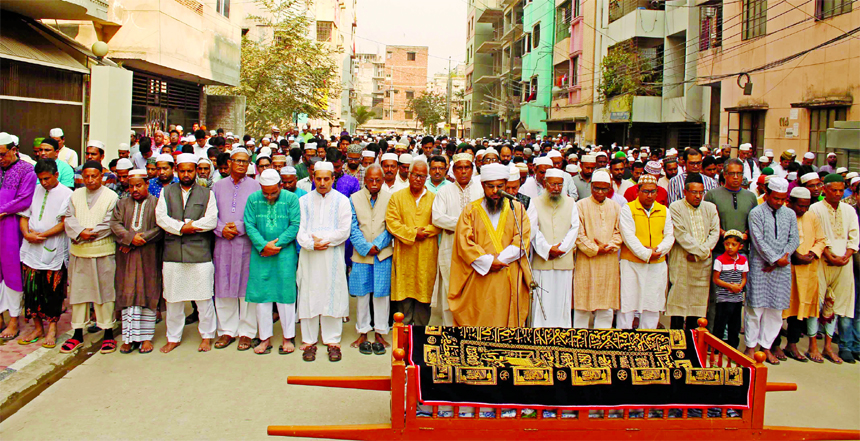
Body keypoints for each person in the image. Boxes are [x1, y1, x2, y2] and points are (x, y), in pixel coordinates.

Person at [447, 163, 532, 327]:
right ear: (482, 185)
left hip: (507, 271)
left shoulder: (517, 208)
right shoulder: (470, 210)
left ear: (506, 185)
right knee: (480, 318)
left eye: (500, 186)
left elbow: (522, 239)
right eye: (490, 186)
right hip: (480, 275)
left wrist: (501, 259)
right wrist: (487, 261)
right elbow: (464, 242)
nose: (495, 191)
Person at [155, 153, 219, 353]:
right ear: (176, 170)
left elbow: (212, 220)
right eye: (182, 171)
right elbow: (161, 218)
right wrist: (182, 228)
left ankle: (207, 336)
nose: (186, 174)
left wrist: (193, 227)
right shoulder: (166, 192)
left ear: (195, 170)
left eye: (189, 170)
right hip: (173, 253)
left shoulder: (206, 193)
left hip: (199, 253)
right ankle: (173, 338)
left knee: (203, 298)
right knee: (173, 299)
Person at [296, 162, 351, 362]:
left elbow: (344, 231)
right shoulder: (303, 201)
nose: (322, 183)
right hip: (309, 256)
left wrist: (322, 241)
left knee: (332, 293)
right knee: (309, 292)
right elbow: (299, 230)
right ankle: (309, 341)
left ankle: (332, 340)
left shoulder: (343, 201)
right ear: (313, 178)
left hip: (332, 255)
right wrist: (311, 243)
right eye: (318, 178)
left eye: (326, 179)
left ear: (333, 179)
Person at [61, 161, 119, 354]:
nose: (90, 180)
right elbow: (68, 218)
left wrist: (90, 234)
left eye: (94, 176)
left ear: (101, 176)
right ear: (82, 177)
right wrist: (80, 233)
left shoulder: (112, 196)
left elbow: (111, 221)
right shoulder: (75, 195)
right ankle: (77, 333)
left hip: (103, 251)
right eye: (86, 176)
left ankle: (108, 333)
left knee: (105, 293)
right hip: (79, 252)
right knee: (78, 293)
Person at [244, 169, 301, 355]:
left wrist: (275, 245)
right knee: (262, 296)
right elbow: (249, 225)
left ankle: (288, 337)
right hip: (261, 254)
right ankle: (264, 338)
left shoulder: (291, 199)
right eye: (265, 192)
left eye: (273, 192)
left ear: (281, 186)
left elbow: (295, 225)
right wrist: (263, 246)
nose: (269, 196)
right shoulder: (253, 199)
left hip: (284, 253)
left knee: (286, 295)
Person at [18, 159, 72, 348]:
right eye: (40, 179)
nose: (44, 183)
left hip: (53, 248)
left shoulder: (67, 194)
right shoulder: (35, 189)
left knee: (52, 291)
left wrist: (42, 235)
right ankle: (38, 327)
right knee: (32, 290)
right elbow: (24, 215)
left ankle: (52, 329)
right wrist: (26, 234)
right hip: (30, 248)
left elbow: (65, 222)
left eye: (47, 179)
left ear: (56, 175)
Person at [745, 177, 799, 364]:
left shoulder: (790, 214)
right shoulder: (756, 213)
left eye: (783, 199)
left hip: (781, 268)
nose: (779, 202)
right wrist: (775, 259)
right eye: (776, 198)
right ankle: (750, 348)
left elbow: (794, 239)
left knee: (775, 311)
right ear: (767, 194)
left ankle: (766, 348)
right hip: (761, 266)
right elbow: (758, 240)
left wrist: (782, 258)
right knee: (756, 309)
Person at [211, 148, 260, 351]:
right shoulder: (217, 186)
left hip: (245, 243)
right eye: (237, 160)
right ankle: (226, 331)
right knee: (223, 288)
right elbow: (210, 213)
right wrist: (222, 228)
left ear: (249, 164)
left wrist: (238, 227)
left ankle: (247, 332)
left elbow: (257, 214)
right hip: (223, 242)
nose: (240, 164)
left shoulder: (256, 186)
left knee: (245, 289)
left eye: (245, 161)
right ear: (230, 162)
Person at [109, 169, 163, 354]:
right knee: (128, 292)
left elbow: (160, 227)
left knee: (148, 291)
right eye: (131, 186)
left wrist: (140, 239)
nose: (134, 189)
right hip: (127, 258)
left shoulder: (157, 204)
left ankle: (146, 338)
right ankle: (129, 338)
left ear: (147, 184)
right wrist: (130, 238)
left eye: (138, 185)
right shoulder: (122, 203)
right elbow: (114, 225)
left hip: (149, 254)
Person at [810, 174, 860, 363]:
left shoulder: (849, 210)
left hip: (845, 263)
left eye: (841, 190)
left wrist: (847, 255)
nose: (838, 194)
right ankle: (813, 345)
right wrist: (828, 254)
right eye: (834, 190)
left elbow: (854, 235)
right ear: (824, 189)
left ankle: (829, 347)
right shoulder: (815, 208)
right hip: (822, 260)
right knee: (817, 303)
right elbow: (816, 234)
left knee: (837, 305)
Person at [431, 153, 484, 326]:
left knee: (475, 293)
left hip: (477, 249)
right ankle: (451, 333)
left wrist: (465, 225)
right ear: (453, 170)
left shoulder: (481, 190)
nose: (463, 172)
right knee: (450, 292)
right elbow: (437, 218)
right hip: (450, 249)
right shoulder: (445, 191)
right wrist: (465, 223)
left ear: (472, 169)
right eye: (459, 168)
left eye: (467, 167)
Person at [386, 160, 440, 326]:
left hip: (427, 253)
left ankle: (420, 336)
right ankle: (404, 336)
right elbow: (391, 222)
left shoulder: (435, 198)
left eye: (422, 176)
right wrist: (413, 233)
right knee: (405, 293)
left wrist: (426, 231)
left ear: (427, 178)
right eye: (415, 175)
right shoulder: (397, 197)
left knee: (424, 292)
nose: (418, 179)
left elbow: (439, 223)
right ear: (409, 175)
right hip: (404, 253)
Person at [776, 187, 826, 362]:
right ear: (790, 202)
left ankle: (792, 344)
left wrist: (812, 254)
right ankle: (774, 345)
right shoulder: (782, 215)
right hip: (785, 269)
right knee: (780, 309)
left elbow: (821, 239)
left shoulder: (812, 217)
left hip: (806, 271)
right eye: (801, 206)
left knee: (799, 309)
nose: (804, 209)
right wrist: (794, 255)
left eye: (807, 206)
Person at [618, 175, 674, 330]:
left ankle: (647, 342)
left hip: (657, 264)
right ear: (638, 191)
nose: (650, 195)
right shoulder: (628, 209)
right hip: (632, 263)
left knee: (652, 304)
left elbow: (669, 235)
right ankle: (624, 343)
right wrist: (646, 253)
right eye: (646, 191)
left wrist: (659, 251)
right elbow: (628, 236)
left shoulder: (664, 211)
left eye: (653, 192)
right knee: (628, 304)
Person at [348, 165, 393, 354]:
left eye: (378, 180)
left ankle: (381, 332)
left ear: (382, 180)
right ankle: (363, 331)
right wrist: (366, 247)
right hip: (361, 254)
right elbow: (352, 226)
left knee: (382, 295)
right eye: (370, 180)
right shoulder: (354, 198)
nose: (374, 184)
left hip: (382, 254)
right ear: (364, 180)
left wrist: (378, 245)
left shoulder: (391, 199)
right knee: (362, 294)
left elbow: (392, 225)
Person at [666, 173, 720, 330]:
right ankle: (676, 346)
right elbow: (681, 235)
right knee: (678, 304)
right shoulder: (675, 207)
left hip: (703, 265)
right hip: (682, 262)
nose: (698, 196)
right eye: (694, 192)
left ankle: (692, 344)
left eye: (701, 192)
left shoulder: (710, 207)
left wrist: (701, 254)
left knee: (697, 306)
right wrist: (704, 252)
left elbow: (714, 233)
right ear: (685, 192)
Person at [530, 169, 579, 328]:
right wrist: (547, 249)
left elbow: (575, 228)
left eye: (560, 184)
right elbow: (533, 229)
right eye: (553, 184)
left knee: (561, 301)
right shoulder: (534, 203)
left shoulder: (571, 203)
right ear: (545, 184)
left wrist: (562, 249)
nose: (556, 188)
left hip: (563, 262)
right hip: (542, 261)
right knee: (541, 301)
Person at [573, 170, 622, 328]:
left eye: (604, 189)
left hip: (609, 262)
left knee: (606, 306)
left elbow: (620, 231)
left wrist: (609, 246)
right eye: (597, 188)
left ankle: (602, 343)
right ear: (591, 187)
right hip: (586, 262)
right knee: (582, 305)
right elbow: (578, 235)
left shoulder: (615, 207)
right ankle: (579, 343)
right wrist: (595, 249)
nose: (600, 192)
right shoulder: (580, 205)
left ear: (610, 189)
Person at [0, 133, 37, 340]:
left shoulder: (26, 170)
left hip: (11, 225)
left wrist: (2, 210)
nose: (0, 159)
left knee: (11, 270)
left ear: (14, 150)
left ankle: (14, 319)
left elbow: (24, 199)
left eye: (2, 154)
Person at [711, 231, 749, 349]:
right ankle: (716, 351)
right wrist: (730, 286)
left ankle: (733, 350)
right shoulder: (720, 260)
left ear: (740, 246)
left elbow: (744, 278)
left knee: (735, 326)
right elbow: (716, 279)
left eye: (733, 244)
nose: (730, 247)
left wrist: (740, 286)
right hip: (723, 298)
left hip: (737, 299)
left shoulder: (743, 260)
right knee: (720, 325)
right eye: (727, 244)